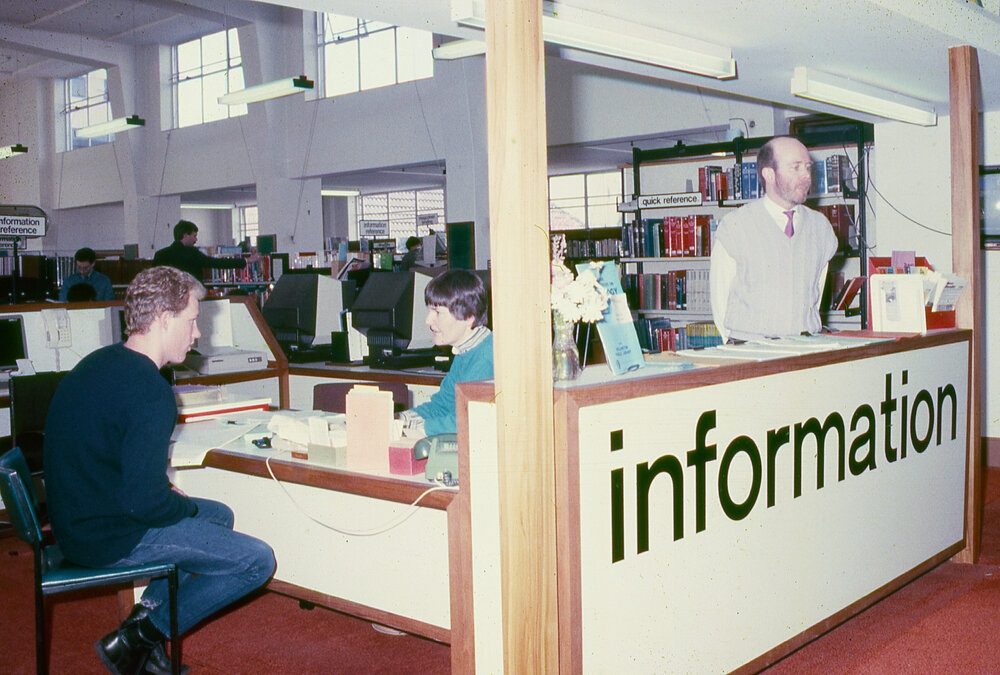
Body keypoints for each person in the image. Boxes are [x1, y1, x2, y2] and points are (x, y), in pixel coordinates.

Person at [43, 266, 276, 675]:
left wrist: (170, 501)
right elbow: (145, 503)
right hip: (108, 537)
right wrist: (176, 506)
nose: (198, 333)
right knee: (257, 560)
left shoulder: (101, 363)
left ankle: (140, 634)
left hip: (76, 523)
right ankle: (139, 637)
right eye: (192, 320)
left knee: (219, 515)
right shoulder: (151, 390)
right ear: (165, 320)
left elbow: (118, 467)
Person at [710, 136, 838, 342]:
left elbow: (816, 292)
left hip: (804, 347)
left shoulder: (821, 227)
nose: (806, 176)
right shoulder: (735, 226)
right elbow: (720, 296)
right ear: (769, 174)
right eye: (795, 168)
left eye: (808, 167)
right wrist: (736, 345)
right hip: (751, 349)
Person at [399, 270, 493, 436]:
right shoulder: (465, 351)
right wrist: (401, 420)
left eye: (437, 312)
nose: (428, 320)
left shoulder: (488, 357)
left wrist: (416, 430)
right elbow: (442, 406)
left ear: (469, 317)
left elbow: (470, 420)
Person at [152, 220, 253, 280]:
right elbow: (217, 263)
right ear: (185, 235)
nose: (196, 240)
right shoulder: (192, 254)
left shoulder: (160, 254)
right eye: (194, 236)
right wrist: (246, 260)